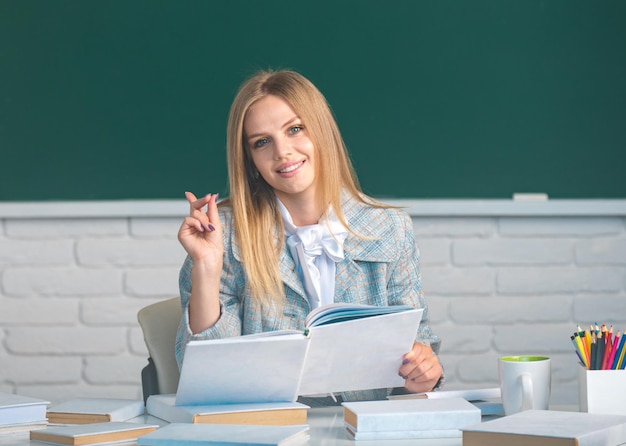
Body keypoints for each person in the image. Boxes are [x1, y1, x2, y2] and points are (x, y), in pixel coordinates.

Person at [175, 69, 443, 403]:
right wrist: (207, 267)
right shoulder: (225, 233)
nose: (282, 152)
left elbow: (418, 358)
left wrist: (422, 373)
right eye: (262, 142)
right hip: (269, 427)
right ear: (250, 159)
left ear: (322, 131)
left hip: (361, 430)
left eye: (295, 129)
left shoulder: (391, 228)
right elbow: (204, 373)